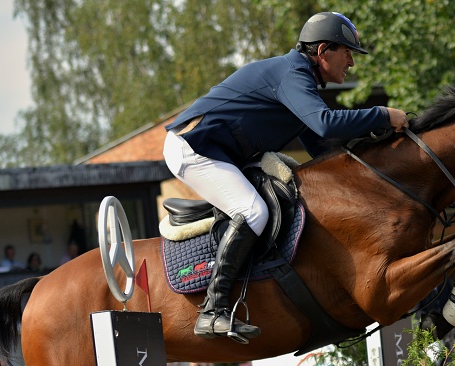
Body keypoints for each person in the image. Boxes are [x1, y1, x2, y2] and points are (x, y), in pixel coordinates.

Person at [163, 11, 409, 343]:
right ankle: (212, 312)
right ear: (323, 52)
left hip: (212, 149)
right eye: (347, 52)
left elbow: (324, 148)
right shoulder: (292, 74)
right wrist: (382, 114)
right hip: (192, 147)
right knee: (253, 211)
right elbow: (324, 124)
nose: (351, 62)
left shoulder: (298, 80)